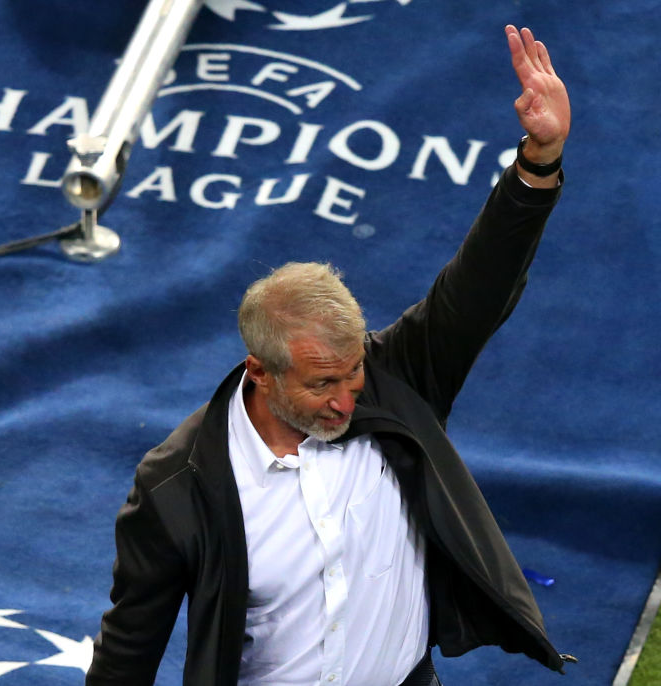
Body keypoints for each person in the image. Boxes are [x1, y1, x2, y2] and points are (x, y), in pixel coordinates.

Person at [86, 25, 574, 686]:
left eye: (354, 373)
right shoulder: (177, 484)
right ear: (261, 371)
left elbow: (478, 288)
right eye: (323, 385)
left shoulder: (394, 382)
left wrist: (537, 164)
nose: (349, 399)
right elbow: (129, 647)